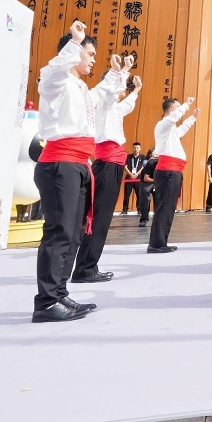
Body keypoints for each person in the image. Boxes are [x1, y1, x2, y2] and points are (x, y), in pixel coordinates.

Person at [32, 21, 128, 323]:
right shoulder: (56, 82)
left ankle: (59, 294)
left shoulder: (81, 88)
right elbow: (53, 71)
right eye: (90, 54)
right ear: (73, 54)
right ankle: (47, 302)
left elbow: (101, 95)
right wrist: (75, 42)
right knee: (59, 232)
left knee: (73, 234)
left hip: (78, 164)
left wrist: (117, 73)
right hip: (60, 163)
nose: (93, 59)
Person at [71, 68, 141, 284]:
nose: (123, 91)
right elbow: (111, 93)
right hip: (107, 165)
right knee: (99, 218)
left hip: (113, 164)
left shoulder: (114, 108)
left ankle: (88, 266)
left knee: (102, 218)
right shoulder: (104, 103)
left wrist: (136, 90)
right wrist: (122, 71)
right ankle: (85, 269)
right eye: (121, 87)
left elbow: (127, 105)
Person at [148, 95, 199, 253]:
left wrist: (192, 117)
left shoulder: (171, 130)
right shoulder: (162, 124)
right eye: (177, 109)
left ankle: (160, 242)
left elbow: (182, 129)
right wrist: (186, 105)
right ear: (171, 110)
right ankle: (156, 244)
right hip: (167, 171)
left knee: (168, 208)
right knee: (164, 208)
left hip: (173, 171)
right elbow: (173, 119)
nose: (180, 112)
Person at [123, 142, 145, 213]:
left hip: (138, 178)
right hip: (129, 178)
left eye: (137, 148)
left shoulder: (143, 157)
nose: (136, 149)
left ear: (140, 148)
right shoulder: (128, 157)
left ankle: (139, 209)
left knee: (139, 194)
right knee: (126, 195)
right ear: (133, 148)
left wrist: (136, 174)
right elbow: (125, 166)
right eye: (134, 148)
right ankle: (125, 209)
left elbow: (143, 167)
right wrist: (131, 174)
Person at [137, 148, 157, 226]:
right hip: (146, 183)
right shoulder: (150, 163)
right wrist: (157, 180)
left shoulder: (163, 162)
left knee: (158, 201)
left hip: (156, 182)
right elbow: (146, 178)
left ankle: (158, 220)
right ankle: (144, 219)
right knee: (145, 201)